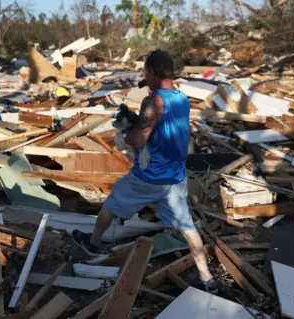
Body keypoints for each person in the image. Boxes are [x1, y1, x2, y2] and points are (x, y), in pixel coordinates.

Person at [72, 49, 218, 294]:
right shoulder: (182, 98)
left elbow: (139, 139)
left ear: (151, 72)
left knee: (111, 203)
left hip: (148, 177)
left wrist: (125, 132)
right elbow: (164, 125)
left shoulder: (153, 102)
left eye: (145, 73)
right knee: (187, 226)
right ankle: (207, 277)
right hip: (175, 177)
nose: (144, 78)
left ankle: (93, 244)